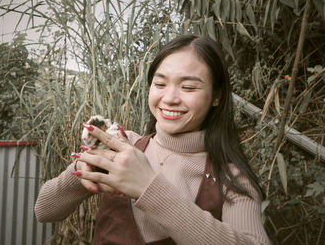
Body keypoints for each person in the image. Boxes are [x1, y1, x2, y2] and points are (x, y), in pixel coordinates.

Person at [34, 34, 270, 244]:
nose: (169, 98)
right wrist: (81, 172)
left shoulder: (231, 178)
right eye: (159, 84)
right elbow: (43, 211)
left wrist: (148, 186)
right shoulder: (125, 148)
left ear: (216, 96)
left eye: (188, 87)